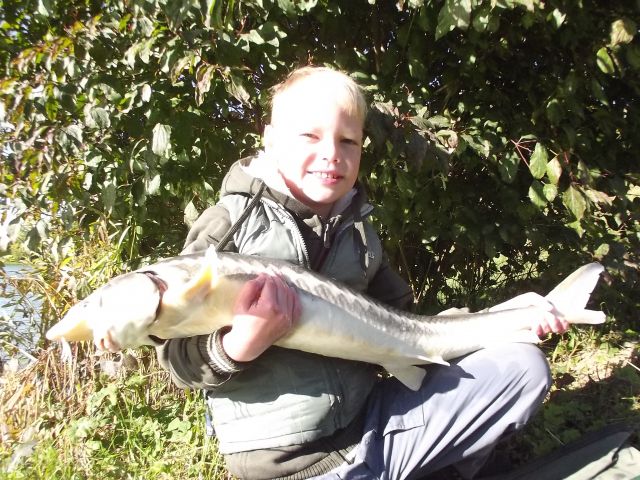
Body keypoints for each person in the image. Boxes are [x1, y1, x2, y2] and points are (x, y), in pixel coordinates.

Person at [156, 66, 568, 479]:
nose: (332, 153)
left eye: (347, 141)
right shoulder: (229, 226)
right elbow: (176, 359)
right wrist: (238, 345)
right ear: (271, 140)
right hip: (294, 466)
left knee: (523, 367)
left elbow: (411, 327)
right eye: (310, 137)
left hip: (375, 423)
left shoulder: (360, 231)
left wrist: (507, 319)